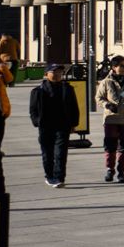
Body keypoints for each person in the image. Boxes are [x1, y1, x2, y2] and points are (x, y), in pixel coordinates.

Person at [28, 61, 79, 189]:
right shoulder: (38, 90)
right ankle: (49, 176)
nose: (57, 74)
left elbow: (74, 107)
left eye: (59, 72)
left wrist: (74, 123)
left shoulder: (67, 88)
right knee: (47, 153)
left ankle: (59, 177)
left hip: (63, 125)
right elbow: (33, 109)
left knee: (60, 153)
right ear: (46, 74)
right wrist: (37, 121)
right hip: (45, 126)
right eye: (54, 72)